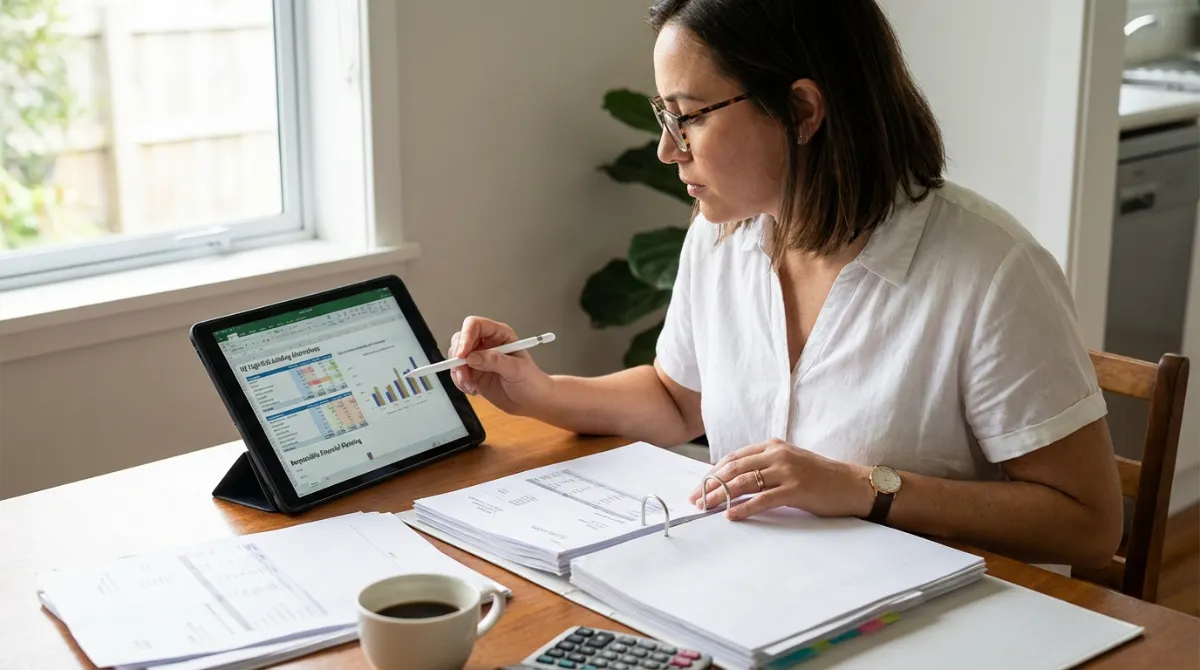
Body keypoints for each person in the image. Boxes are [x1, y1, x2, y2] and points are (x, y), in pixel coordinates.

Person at [448, 0, 1123, 570]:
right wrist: (538, 393)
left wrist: (864, 488)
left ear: (801, 110)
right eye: (665, 116)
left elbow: (1088, 524)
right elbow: (675, 399)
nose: (667, 148)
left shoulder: (990, 269)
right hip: (761, 588)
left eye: (690, 116)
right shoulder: (722, 237)